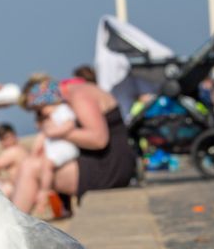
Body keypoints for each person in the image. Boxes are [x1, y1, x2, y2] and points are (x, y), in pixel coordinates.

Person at [10, 72, 136, 214]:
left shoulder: (79, 95)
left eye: (39, 110)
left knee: (30, 167)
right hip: (104, 163)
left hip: (111, 167)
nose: (42, 115)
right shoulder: (72, 93)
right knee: (35, 163)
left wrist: (57, 132)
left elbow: (99, 139)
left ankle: (10, 229)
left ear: (43, 96)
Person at [0, 122, 29, 197]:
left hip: (20, 190)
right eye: (2, 139)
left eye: (7, 137)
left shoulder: (13, 151)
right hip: (24, 187)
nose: (5, 142)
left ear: (14, 135)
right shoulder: (22, 148)